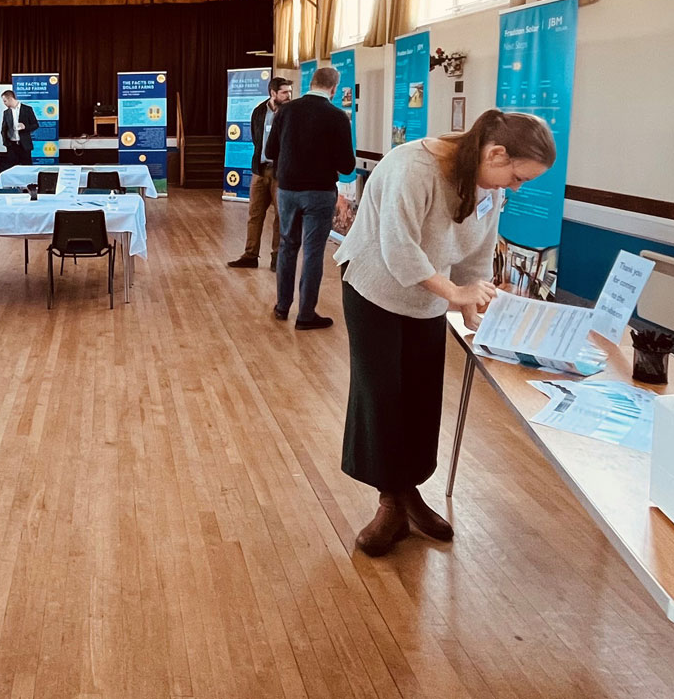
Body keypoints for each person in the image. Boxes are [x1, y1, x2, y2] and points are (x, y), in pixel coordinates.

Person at [334, 110, 555, 556]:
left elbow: (478, 252)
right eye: (516, 176)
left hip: (428, 297)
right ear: (495, 152)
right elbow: (400, 252)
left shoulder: (488, 188)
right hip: (374, 287)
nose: (515, 187)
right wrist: (455, 292)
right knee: (380, 396)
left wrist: (472, 305)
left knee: (420, 395)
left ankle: (409, 493)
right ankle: (390, 502)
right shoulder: (411, 168)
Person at [265, 65, 354, 327]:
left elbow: (270, 151)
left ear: (311, 82)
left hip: (288, 190)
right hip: (320, 192)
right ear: (334, 89)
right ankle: (305, 316)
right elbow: (347, 166)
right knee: (313, 253)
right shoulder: (337, 116)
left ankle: (282, 307)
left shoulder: (286, 110)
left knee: (287, 247)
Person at [227, 76, 292, 270]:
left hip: (282, 173)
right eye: (284, 92)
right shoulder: (259, 111)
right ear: (273, 93)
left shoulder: (291, 113)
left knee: (281, 216)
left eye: (289, 91)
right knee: (254, 214)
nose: (288, 95)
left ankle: (277, 258)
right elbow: (257, 139)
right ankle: (250, 255)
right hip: (260, 170)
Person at [0, 89, 38, 168]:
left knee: (27, 167)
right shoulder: (6, 112)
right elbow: (4, 129)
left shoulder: (27, 109)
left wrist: (25, 127)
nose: (4, 103)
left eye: (5, 101)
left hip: (24, 145)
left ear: (11, 99)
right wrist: (6, 143)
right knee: (11, 168)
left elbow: (35, 125)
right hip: (12, 146)